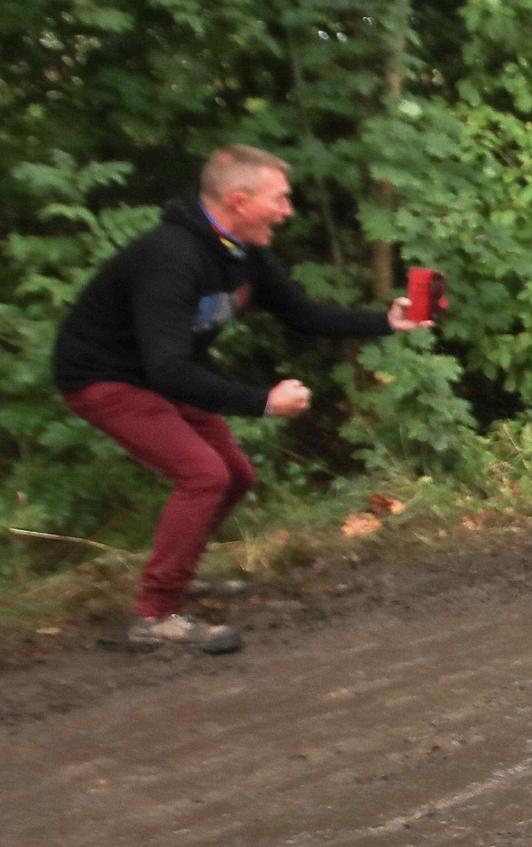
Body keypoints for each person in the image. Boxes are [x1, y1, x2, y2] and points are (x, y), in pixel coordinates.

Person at [52, 144, 430, 653]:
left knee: (236, 476)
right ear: (238, 200)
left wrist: (387, 322)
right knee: (203, 475)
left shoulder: (242, 252)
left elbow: (303, 313)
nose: (288, 211)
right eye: (280, 199)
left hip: (162, 375)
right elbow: (166, 369)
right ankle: (155, 614)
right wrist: (263, 402)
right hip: (104, 377)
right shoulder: (173, 257)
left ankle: (178, 577)